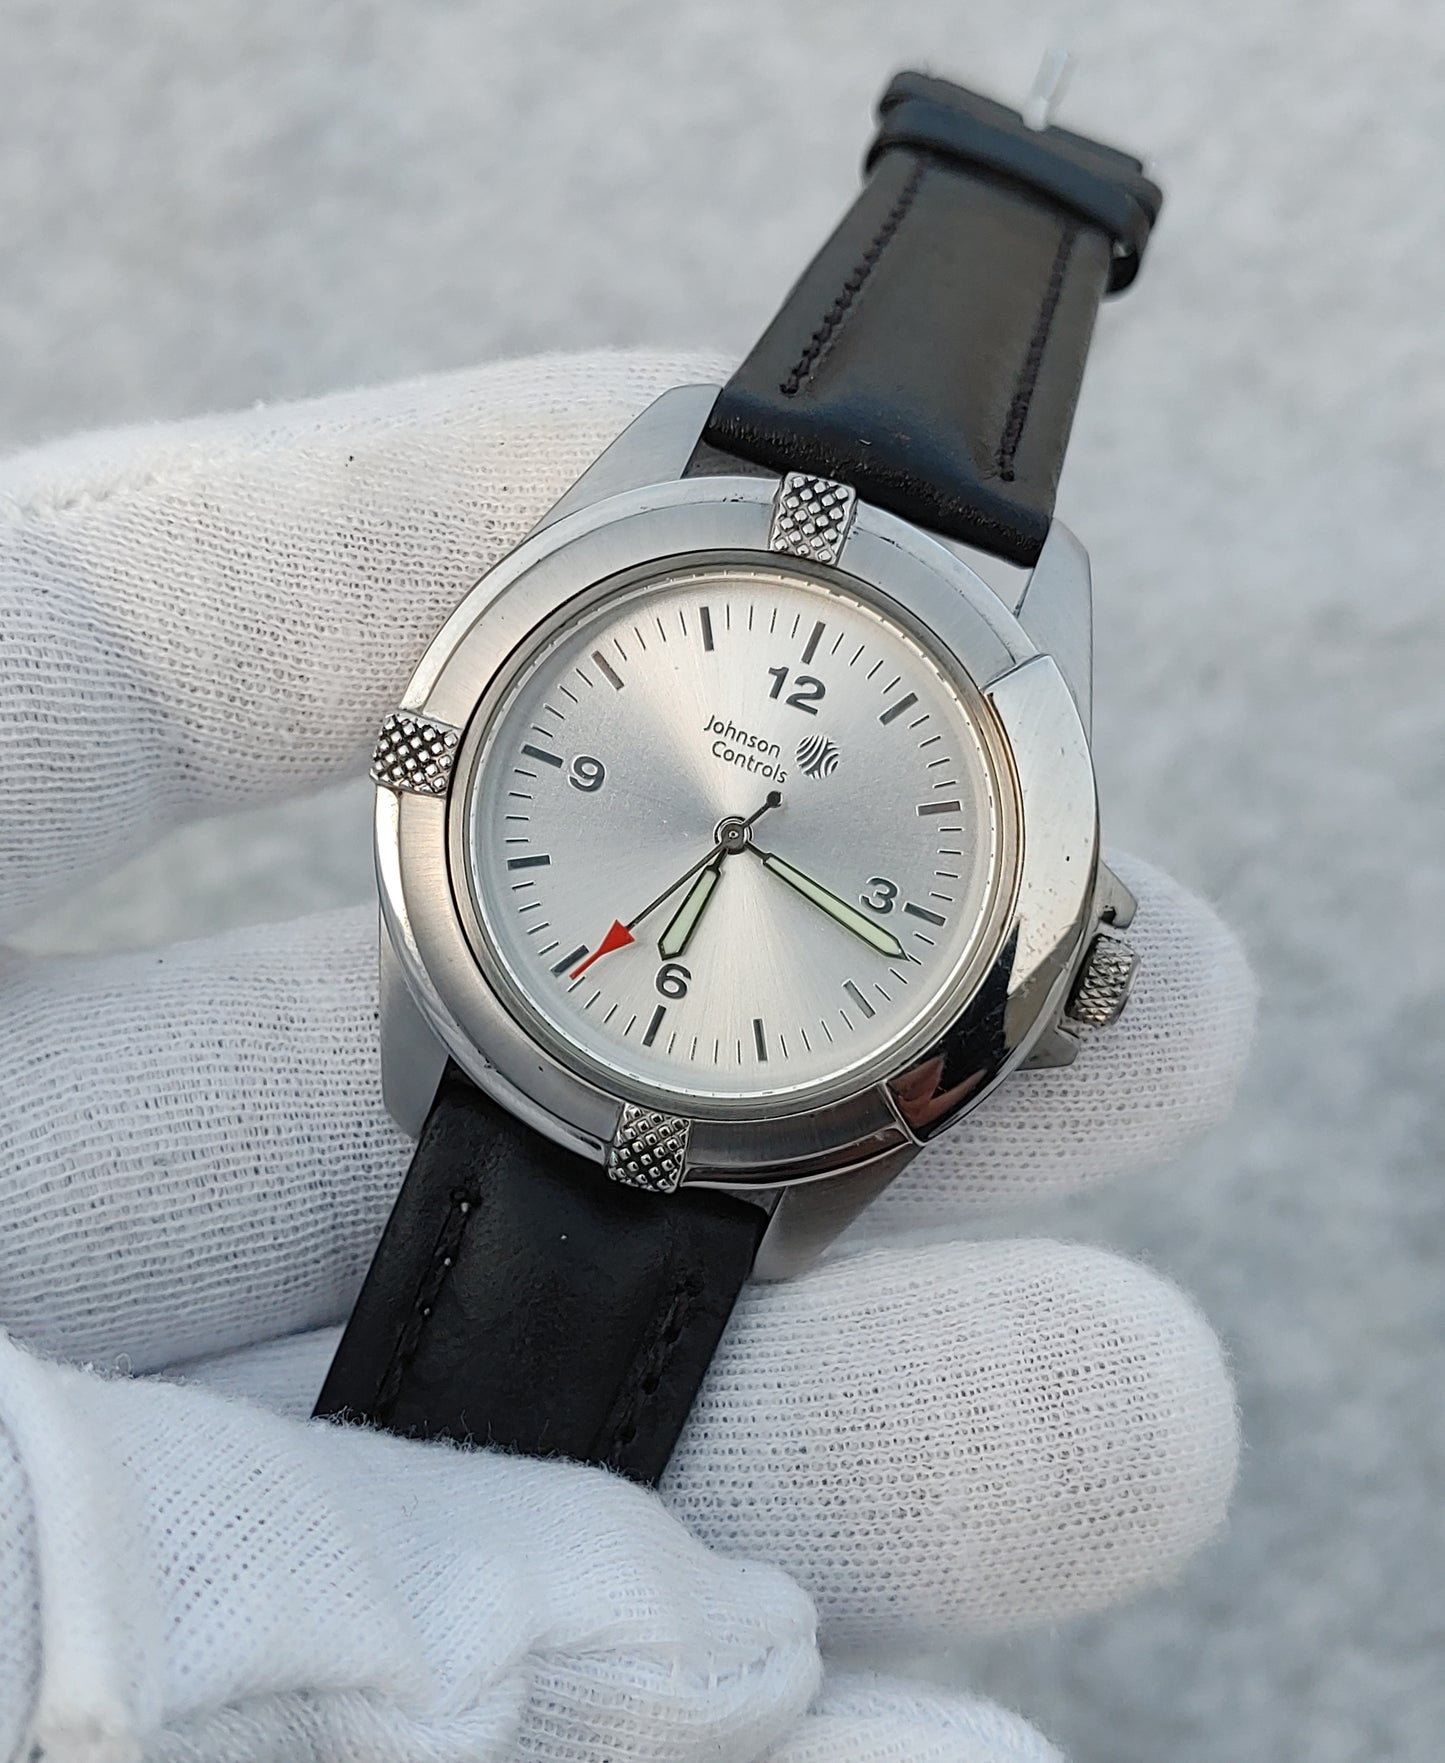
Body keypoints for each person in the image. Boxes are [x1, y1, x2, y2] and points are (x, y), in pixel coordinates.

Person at [0, 352, 1254, 1763]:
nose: (736, 825)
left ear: (1067, 962)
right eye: (727, 813)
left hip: (652, 1093)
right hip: (502, 1022)